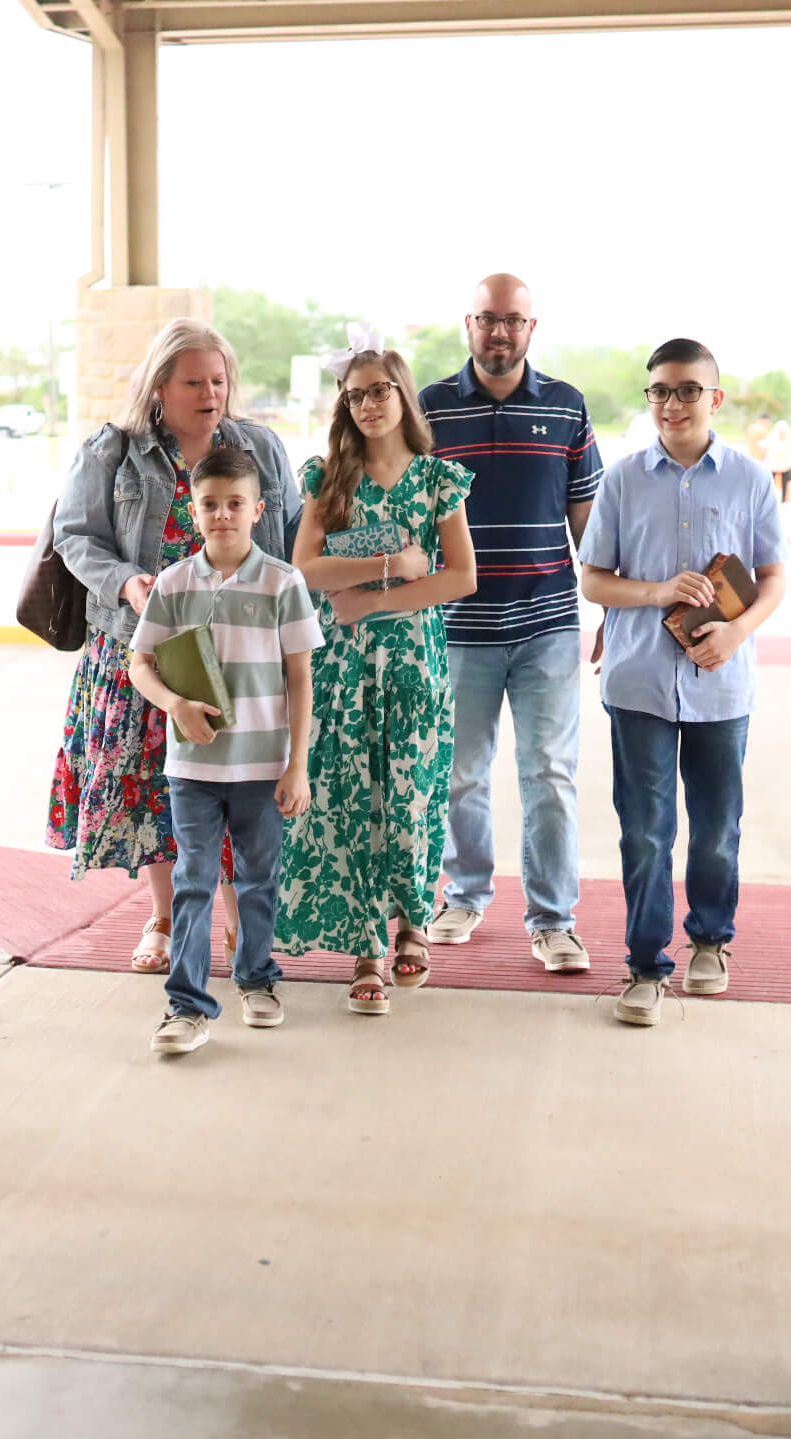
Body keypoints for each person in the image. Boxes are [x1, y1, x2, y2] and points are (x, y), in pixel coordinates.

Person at [46, 320, 302, 976]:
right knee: (153, 794)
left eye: (218, 380)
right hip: (146, 650)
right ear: (160, 385)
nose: (210, 392)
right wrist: (125, 580)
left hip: (243, 656)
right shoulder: (113, 451)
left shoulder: (262, 449)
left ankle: (238, 917)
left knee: (238, 786)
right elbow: (75, 535)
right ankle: (162, 916)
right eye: (194, 381)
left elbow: (294, 536)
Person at [578, 339, 787, 1027]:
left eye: (688, 390)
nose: (672, 403)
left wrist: (736, 631)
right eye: (660, 391)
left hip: (722, 689)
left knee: (717, 828)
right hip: (638, 683)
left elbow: (772, 577)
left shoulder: (751, 480)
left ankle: (710, 941)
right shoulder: (623, 479)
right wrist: (658, 590)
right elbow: (593, 578)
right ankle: (644, 964)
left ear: (714, 398)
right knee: (644, 831)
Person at [277, 331, 477, 1013]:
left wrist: (375, 596)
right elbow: (305, 570)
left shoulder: (437, 478)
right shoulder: (327, 478)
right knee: (353, 801)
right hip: (342, 664)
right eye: (354, 394)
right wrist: (389, 564)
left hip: (416, 660)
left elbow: (462, 577)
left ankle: (413, 923)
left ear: (403, 394)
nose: (367, 404)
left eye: (379, 390)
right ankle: (366, 947)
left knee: (413, 794)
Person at [418, 275, 602, 975]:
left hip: (547, 625)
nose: (501, 333)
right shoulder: (430, 409)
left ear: (533, 328)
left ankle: (554, 919)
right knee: (458, 775)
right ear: (469, 325)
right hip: (458, 629)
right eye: (489, 320)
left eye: (514, 321)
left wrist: (609, 610)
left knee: (549, 774)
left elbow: (588, 522)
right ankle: (463, 894)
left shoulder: (566, 407)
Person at [128, 446, 322, 1054]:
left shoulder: (283, 582)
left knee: (260, 879)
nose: (222, 515)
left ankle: (257, 979)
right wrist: (174, 705)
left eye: (234, 504)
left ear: (258, 509)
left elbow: (300, 678)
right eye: (209, 504)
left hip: (263, 767)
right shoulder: (176, 584)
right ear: (194, 508)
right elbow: (141, 664)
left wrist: (298, 765)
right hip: (193, 767)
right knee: (194, 879)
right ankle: (186, 1007)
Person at [766, 416, 791, 503]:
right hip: (774, 464)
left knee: (785, 482)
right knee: (771, 483)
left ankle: (784, 499)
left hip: (786, 465)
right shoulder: (772, 437)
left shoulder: (790, 439)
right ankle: (770, 499)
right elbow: (768, 449)